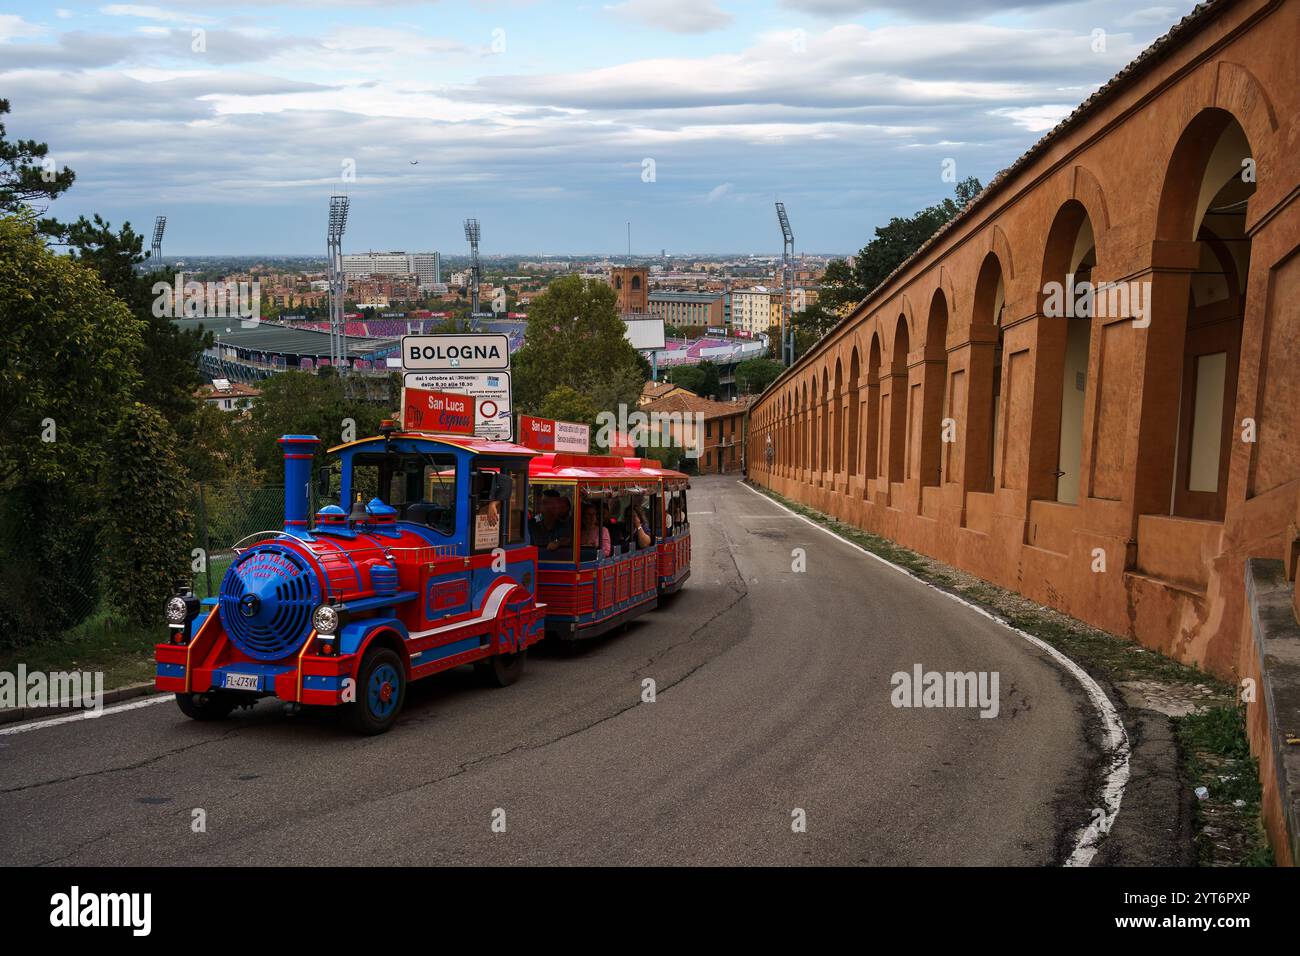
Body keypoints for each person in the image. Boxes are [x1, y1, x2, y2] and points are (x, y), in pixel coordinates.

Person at [529, 488, 573, 553]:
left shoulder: (565, 525)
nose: (547, 507)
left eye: (552, 504)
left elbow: (567, 539)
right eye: (544, 503)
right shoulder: (531, 524)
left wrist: (558, 542)